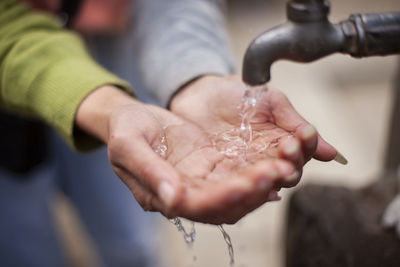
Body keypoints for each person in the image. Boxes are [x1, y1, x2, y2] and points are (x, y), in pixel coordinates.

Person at [0, 0, 342, 266]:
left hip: (111, 32)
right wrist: (104, 103)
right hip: (12, 52)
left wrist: (193, 77)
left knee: (129, 243)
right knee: (23, 247)